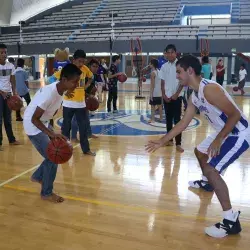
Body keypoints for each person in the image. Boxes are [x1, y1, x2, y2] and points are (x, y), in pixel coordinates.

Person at [145, 54, 250, 238]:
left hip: (238, 132)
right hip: (224, 132)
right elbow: (183, 123)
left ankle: (230, 221)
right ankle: (208, 184)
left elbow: (234, 115)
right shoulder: (194, 96)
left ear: (190, 71)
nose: (177, 76)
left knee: (212, 169)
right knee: (199, 151)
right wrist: (162, 141)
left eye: (179, 72)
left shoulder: (209, 89)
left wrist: (218, 140)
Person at [23, 64, 81, 203]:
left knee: (52, 155)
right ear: (65, 79)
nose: (76, 85)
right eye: (74, 82)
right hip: (33, 125)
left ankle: (37, 176)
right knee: (54, 156)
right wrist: (52, 133)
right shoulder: (50, 93)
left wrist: (66, 92)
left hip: (42, 122)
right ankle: (46, 193)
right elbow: (34, 118)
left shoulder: (60, 88)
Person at [49, 49, 95, 156]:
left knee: (83, 128)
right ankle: (64, 149)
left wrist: (86, 86)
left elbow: (91, 77)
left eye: (83, 61)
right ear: (73, 60)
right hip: (68, 104)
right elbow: (51, 79)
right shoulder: (67, 69)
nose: (81, 64)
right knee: (66, 128)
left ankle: (86, 149)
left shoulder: (85, 69)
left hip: (81, 104)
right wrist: (63, 90)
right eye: (79, 61)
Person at [159, 44, 184, 153]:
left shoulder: (180, 65)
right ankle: (169, 140)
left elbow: (183, 81)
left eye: (171, 52)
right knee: (168, 120)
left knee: (177, 121)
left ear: (175, 53)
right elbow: (162, 81)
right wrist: (164, 94)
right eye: (167, 52)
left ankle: (178, 143)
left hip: (177, 97)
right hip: (167, 97)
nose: (169, 54)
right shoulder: (164, 66)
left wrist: (176, 94)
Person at [71, 59, 99, 141]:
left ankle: (89, 134)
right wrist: (89, 95)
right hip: (77, 98)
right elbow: (79, 89)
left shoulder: (93, 76)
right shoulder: (83, 75)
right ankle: (73, 137)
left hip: (85, 99)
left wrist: (91, 94)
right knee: (76, 118)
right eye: (94, 66)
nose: (95, 68)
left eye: (97, 67)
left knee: (86, 117)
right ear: (89, 66)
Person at [0, 43, 20, 151]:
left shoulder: (10, 66)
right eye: (1, 52)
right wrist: (2, 92)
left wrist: (15, 92)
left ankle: (11, 140)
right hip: (0, 95)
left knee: (8, 119)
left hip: (8, 95)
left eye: (5, 52)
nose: (4, 54)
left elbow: (12, 80)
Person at [148, 59, 163, 123]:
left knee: (152, 106)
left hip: (155, 92)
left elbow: (152, 85)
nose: (149, 64)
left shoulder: (152, 73)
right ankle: (161, 118)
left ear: (152, 64)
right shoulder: (159, 71)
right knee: (160, 106)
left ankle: (152, 119)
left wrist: (151, 94)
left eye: (150, 63)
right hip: (159, 91)